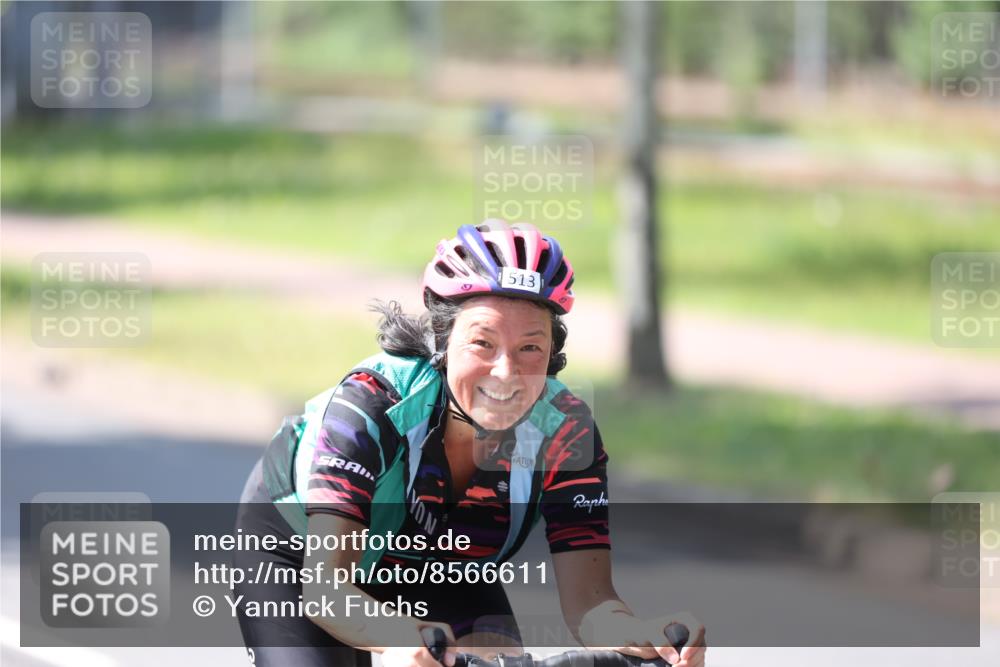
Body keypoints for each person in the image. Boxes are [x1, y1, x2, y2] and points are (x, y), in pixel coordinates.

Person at [234, 220, 706, 667]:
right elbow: (327, 590)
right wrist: (399, 640)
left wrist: (642, 635)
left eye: (530, 348)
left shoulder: (565, 431)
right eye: (483, 343)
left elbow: (589, 603)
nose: (506, 372)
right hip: (302, 556)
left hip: (444, 566)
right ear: (442, 339)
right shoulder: (371, 405)